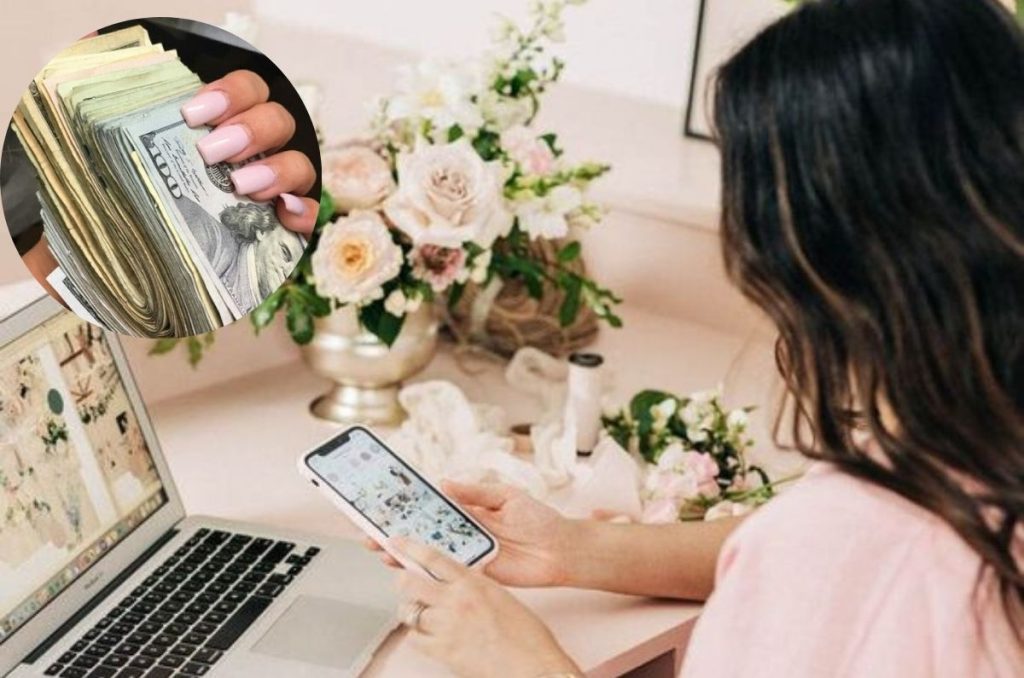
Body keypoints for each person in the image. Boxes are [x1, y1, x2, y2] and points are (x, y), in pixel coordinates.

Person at [366, 0, 1024, 676]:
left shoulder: (863, 542)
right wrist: (574, 548)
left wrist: (518, 661)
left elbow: (838, 554)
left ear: (802, 247)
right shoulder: (968, 445)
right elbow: (804, 551)